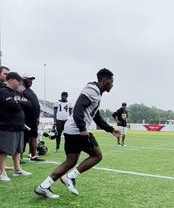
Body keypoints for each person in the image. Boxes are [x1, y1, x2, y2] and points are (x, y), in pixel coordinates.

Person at [35, 68, 121, 199]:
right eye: (111, 81)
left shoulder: (96, 93)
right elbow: (78, 108)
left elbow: (96, 116)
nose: (112, 85)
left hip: (72, 129)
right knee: (97, 155)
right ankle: (70, 177)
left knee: (70, 161)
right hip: (77, 130)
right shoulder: (92, 90)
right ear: (105, 80)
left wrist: (110, 129)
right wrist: (82, 129)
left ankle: (44, 186)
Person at [0, 72, 32, 182]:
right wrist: (19, 102)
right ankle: (2, 173)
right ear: (12, 80)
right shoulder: (4, 91)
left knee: (18, 150)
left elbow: (29, 104)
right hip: (7, 126)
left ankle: (17, 170)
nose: (20, 84)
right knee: (3, 150)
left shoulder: (17, 93)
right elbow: (13, 106)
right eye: (18, 81)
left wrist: (18, 102)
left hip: (19, 125)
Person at [22, 75, 44, 161]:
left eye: (32, 80)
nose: (31, 82)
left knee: (34, 136)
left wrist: (37, 117)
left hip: (33, 118)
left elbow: (35, 104)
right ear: (23, 80)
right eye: (29, 80)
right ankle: (20, 157)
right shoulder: (20, 90)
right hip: (25, 117)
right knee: (24, 137)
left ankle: (33, 155)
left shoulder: (31, 91)